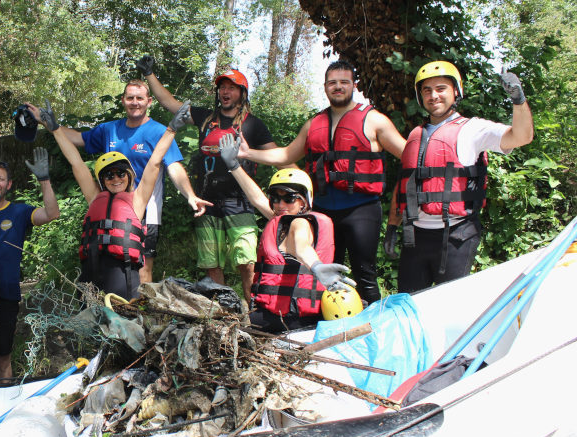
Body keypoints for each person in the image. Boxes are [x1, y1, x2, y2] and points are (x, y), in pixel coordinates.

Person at [239, 60, 406, 305]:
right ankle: (327, 323)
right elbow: (285, 155)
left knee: (365, 273)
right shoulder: (313, 124)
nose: (338, 87)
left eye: (343, 82)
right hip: (324, 213)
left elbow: (408, 154)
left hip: (362, 209)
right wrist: (246, 154)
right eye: (332, 83)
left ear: (354, 86)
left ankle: (374, 324)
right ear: (325, 87)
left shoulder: (375, 121)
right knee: (322, 273)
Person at [138, 56, 287, 299]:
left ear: (242, 92)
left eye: (231, 87)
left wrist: (296, 178)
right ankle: (225, 310)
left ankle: (251, 311)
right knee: (211, 264)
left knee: (246, 261)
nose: (225, 92)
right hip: (206, 201)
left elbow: (278, 156)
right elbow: (171, 104)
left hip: (240, 201)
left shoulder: (253, 125)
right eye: (222, 88)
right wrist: (150, 75)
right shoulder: (207, 117)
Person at [38, 100, 208, 299]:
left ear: (129, 175)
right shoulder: (95, 197)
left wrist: (171, 130)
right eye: (109, 175)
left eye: (121, 173)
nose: (116, 179)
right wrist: (55, 129)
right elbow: (76, 163)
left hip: (123, 278)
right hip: (91, 274)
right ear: (102, 180)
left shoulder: (138, 200)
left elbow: (153, 163)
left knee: (123, 321)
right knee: (89, 324)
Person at [389, 61, 534, 292]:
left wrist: (518, 99)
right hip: (415, 236)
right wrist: (392, 227)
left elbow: (522, 136)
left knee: (449, 309)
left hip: (456, 236)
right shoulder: (416, 134)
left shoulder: (473, 129)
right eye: (427, 90)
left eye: (441, 88)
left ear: (456, 91)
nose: (433, 95)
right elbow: (405, 183)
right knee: (409, 307)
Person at [218, 134, 354, 333]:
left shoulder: (300, 223)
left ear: (303, 202)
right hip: (271, 316)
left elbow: (301, 246)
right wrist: (234, 166)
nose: (280, 204)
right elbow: (256, 198)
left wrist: (316, 266)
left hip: (296, 321)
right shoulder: (280, 218)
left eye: (289, 198)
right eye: (275, 198)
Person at [0, 147, 60, 379]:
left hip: (6, 294)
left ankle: (3, 402)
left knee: (1, 355)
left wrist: (44, 179)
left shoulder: (20, 212)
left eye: (0, 179)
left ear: (9, 184)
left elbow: (52, 214)